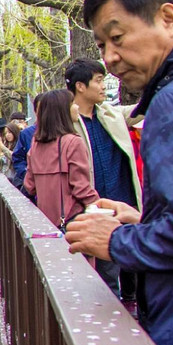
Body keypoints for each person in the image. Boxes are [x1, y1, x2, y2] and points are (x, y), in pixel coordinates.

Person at [65, 0, 173, 345]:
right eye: (101, 46)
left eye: (117, 38)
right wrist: (144, 220)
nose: (110, 58)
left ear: (168, 18)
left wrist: (118, 241)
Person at [65, 58, 143, 298]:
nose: (103, 87)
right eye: (98, 81)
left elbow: (141, 110)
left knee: (137, 273)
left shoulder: (111, 113)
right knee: (107, 278)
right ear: (80, 86)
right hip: (97, 210)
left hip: (125, 204)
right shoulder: (67, 122)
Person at [24, 89, 99, 237]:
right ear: (62, 110)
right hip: (73, 223)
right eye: (73, 104)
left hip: (47, 224)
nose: (77, 107)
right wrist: (100, 207)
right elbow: (81, 188)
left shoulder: (36, 145)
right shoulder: (73, 142)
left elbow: (30, 186)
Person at [11, 93, 44, 187]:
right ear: (35, 111)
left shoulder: (61, 132)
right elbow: (17, 157)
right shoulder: (26, 134)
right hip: (32, 186)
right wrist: (26, 175)